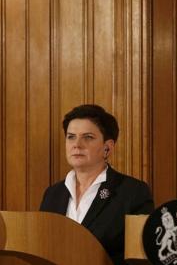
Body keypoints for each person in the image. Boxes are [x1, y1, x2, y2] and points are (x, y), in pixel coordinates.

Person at [40, 104, 154, 264]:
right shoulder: (53, 193)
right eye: (71, 136)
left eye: (87, 137)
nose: (77, 144)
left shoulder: (132, 192)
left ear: (107, 148)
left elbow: (138, 260)